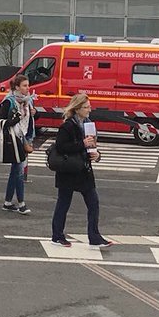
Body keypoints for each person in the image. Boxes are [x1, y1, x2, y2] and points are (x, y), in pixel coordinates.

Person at [50, 93, 113, 248]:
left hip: (84, 170)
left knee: (94, 203)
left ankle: (94, 237)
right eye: (86, 107)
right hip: (69, 170)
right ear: (77, 109)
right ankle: (57, 236)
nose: (89, 110)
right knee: (63, 203)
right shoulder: (68, 126)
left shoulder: (89, 124)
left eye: (89, 107)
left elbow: (92, 145)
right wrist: (81, 144)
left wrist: (97, 155)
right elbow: (61, 146)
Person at [0, 73, 34, 214]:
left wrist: (34, 113)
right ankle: (21, 204)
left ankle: (8, 202)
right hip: (13, 139)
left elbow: (30, 118)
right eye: (24, 86)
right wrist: (15, 119)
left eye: (28, 85)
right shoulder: (9, 101)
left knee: (16, 171)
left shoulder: (28, 101)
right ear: (17, 87)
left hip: (24, 138)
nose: (28, 88)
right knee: (19, 172)